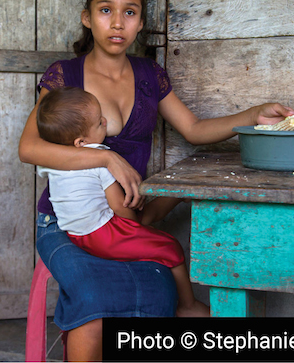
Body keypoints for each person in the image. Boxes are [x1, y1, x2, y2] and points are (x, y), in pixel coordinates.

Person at [19, 0, 294, 361]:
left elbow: (195, 129)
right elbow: (29, 148)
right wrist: (105, 155)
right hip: (66, 223)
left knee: (159, 288)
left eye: (129, 12)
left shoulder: (150, 75)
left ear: (141, 23)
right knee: (94, 299)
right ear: (87, 17)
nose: (117, 23)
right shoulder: (66, 75)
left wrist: (252, 114)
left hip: (125, 220)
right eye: (105, 10)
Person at [36, 86, 211, 318]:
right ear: (80, 142)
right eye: (99, 123)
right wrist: (134, 227)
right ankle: (188, 307)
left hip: (74, 234)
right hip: (103, 235)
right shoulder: (99, 159)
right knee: (171, 247)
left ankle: (177, 194)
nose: (105, 122)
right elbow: (119, 206)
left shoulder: (53, 161)